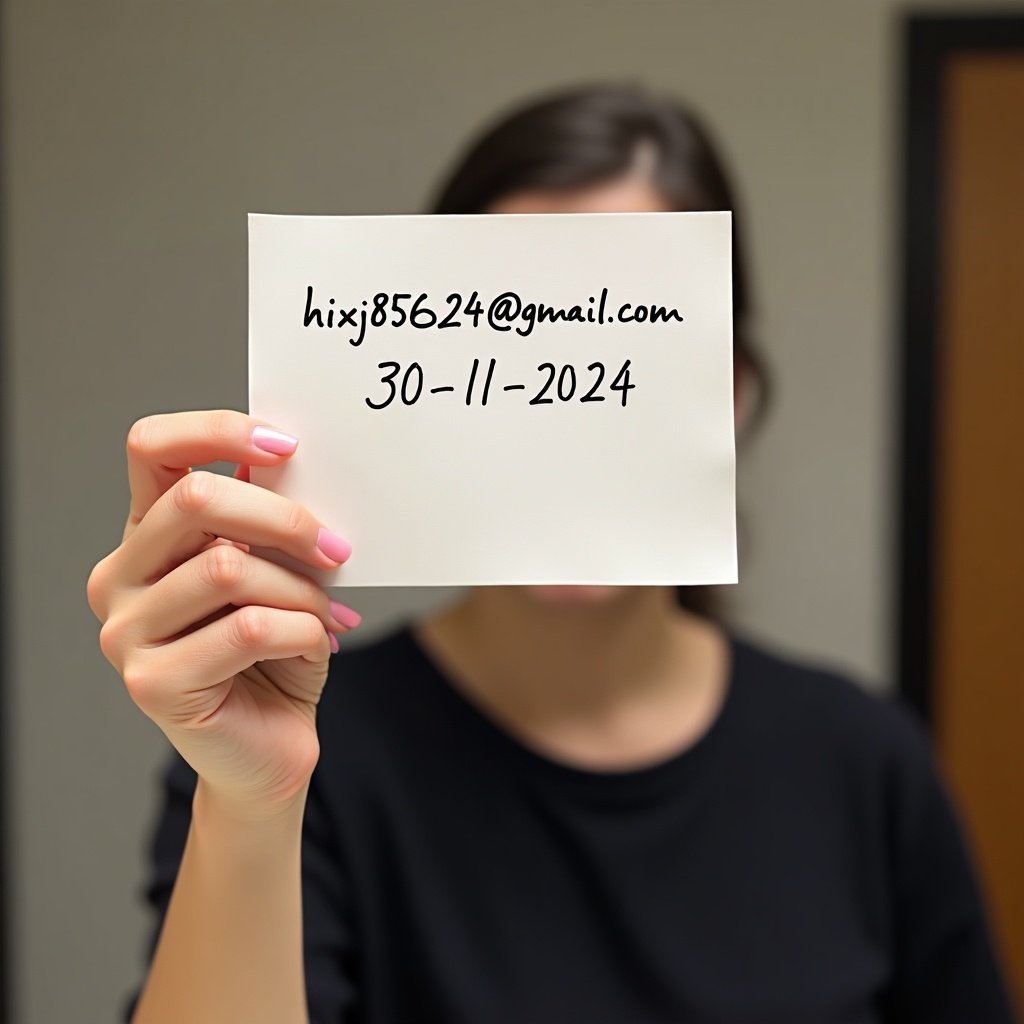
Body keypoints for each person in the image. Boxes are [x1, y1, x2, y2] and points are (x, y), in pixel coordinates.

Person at [88, 84, 1016, 1024]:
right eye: (505, 326)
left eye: (621, 334)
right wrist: (253, 805)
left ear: (728, 393)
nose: (553, 399)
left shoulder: (861, 763)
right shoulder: (297, 750)